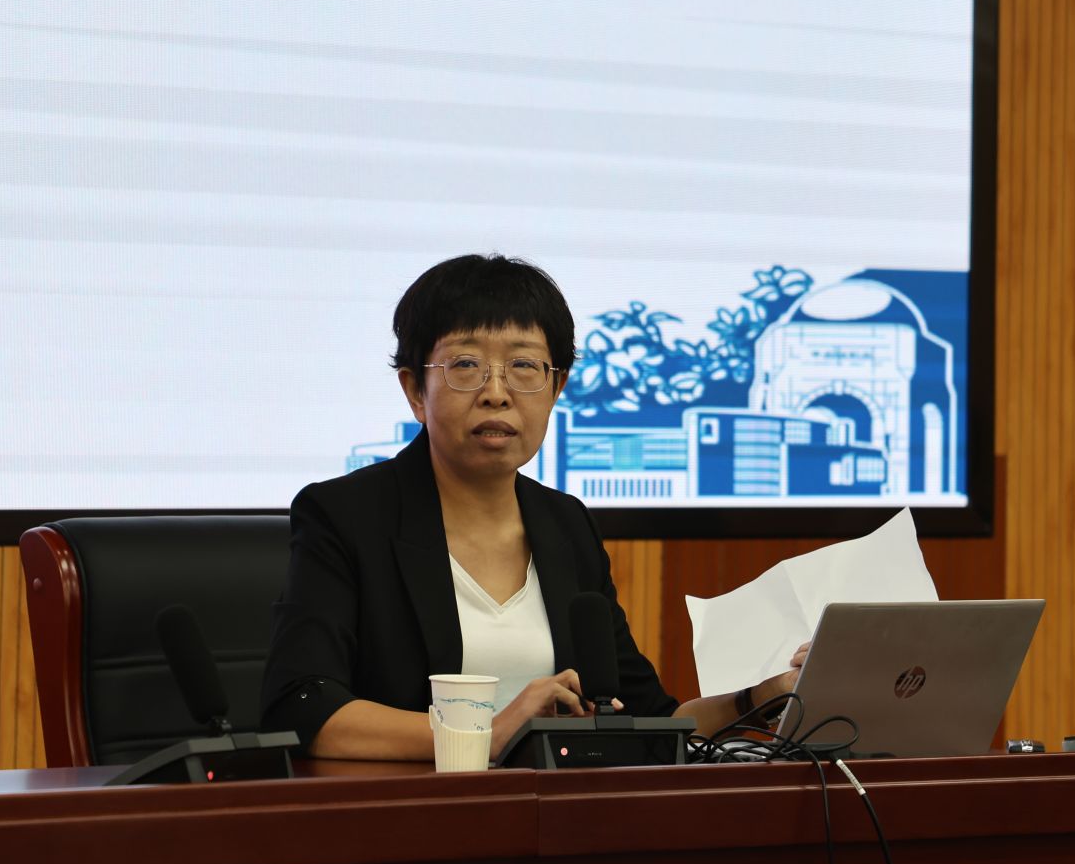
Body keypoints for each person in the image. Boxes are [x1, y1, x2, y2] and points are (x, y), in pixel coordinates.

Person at [261, 254, 806, 762]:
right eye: (466, 365)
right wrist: (489, 733)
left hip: (555, 817)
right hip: (409, 815)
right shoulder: (347, 516)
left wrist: (767, 696)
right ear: (415, 391)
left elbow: (651, 719)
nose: (496, 393)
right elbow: (303, 708)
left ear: (556, 387)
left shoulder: (565, 524)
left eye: (524, 366)